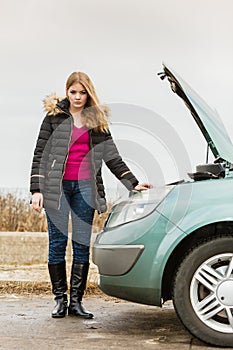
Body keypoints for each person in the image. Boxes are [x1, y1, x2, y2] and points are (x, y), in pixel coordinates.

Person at [30, 71, 151, 319]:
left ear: (88, 93)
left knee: (81, 244)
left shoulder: (97, 121)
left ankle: (76, 302)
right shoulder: (53, 118)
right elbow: (40, 154)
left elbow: (112, 156)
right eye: (73, 92)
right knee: (57, 244)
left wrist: (133, 183)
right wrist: (36, 190)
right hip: (57, 189)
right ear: (67, 92)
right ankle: (60, 301)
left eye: (82, 92)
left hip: (86, 189)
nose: (77, 97)